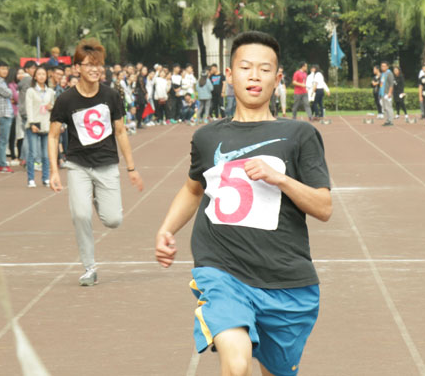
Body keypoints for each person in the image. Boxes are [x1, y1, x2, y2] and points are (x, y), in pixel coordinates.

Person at [155, 31, 332, 376]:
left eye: (265, 69)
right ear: (229, 75)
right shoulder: (207, 137)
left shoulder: (300, 135)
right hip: (222, 271)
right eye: (246, 67)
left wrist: (280, 178)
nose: (254, 76)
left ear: (278, 79)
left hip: (286, 281)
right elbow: (193, 190)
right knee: (236, 365)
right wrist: (166, 229)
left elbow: (324, 207)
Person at [48, 38, 143, 286]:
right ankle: (89, 267)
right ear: (77, 68)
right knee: (80, 215)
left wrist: (131, 168)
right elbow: (53, 135)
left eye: (98, 65)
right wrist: (54, 171)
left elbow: (121, 131)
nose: (95, 69)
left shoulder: (111, 95)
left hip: (106, 164)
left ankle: (97, 196)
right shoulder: (65, 100)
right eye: (89, 65)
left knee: (113, 220)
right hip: (78, 165)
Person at [26, 66, 56, 187]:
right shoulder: (31, 91)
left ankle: (46, 178)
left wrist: (51, 107)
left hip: (46, 124)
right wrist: (32, 123)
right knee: (32, 153)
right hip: (34, 124)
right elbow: (28, 108)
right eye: (39, 74)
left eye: (44, 74)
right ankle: (31, 179)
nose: (42, 76)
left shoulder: (50, 91)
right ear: (35, 77)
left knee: (45, 154)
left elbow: (54, 106)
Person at [0, 61, 15, 173]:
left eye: (6, 69)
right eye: (2, 69)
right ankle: (1, 164)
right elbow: (8, 93)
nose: (5, 71)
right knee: (3, 140)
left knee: (3, 139)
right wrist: (11, 91)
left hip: (6, 112)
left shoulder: (1, 81)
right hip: (3, 113)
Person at [379, 61, 394, 126]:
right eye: (382, 66)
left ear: (387, 67)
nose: (383, 67)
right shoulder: (382, 74)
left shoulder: (389, 73)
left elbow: (391, 84)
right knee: (384, 108)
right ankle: (387, 120)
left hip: (387, 93)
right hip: (382, 93)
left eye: (384, 66)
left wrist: (389, 93)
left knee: (388, 107)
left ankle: (390, 121)